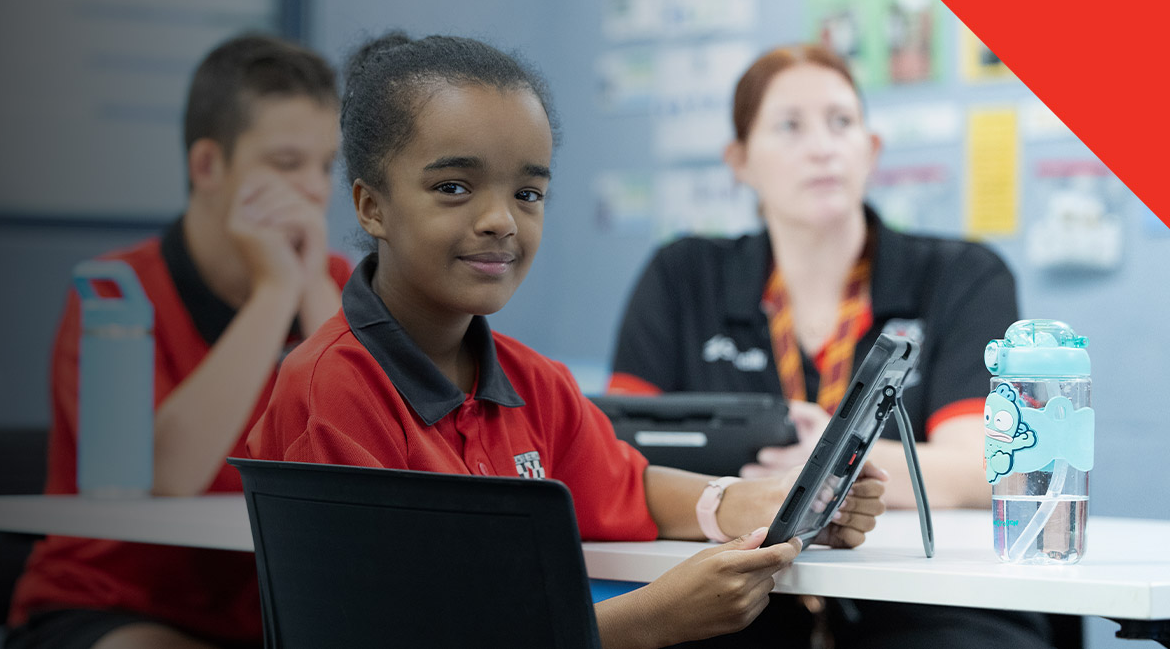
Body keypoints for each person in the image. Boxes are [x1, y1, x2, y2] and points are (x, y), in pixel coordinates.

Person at [244, 32, 887, 649]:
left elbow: (624, 490)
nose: (500, 220)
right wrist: (646, 620)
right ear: (370, 206)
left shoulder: (535, 385)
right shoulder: (330, 390)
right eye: (453, 188)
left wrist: (764, 505)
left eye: (528, 193)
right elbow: (394, 633)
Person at [607, 43, 1050, 647]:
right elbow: (617, 458)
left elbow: (987, 468)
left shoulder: (963, 275)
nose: (822, 147)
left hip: (922, 598)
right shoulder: (682, 276)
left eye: (841, 123)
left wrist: (824, 463)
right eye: (789, 126)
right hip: (737, 589)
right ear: (739, 161)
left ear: (870, 151)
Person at [5, 33, 353, 649]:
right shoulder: (115, 293)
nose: (314, 191)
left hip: (268, 619)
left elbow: (369, 455)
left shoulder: (336, 291)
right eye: (285, 163)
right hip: (107, 606)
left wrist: (311, 293)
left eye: (325, 166)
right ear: (207, 167)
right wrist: (274, 292)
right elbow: (165, 477)